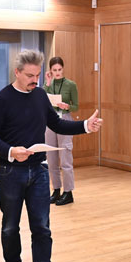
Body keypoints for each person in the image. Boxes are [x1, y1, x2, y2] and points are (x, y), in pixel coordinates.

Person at [0, 49, 102, 262]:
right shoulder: (2, 99)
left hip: (38, 171)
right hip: (10, 172)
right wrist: (12, 151)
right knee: (10, 227)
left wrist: (84, 127)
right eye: (29, 75)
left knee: (42, 229)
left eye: (37, 75)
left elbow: (56, 124)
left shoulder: (39, 95)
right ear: (17, 72)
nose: (34, 80)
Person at [43, 56, 79, 205]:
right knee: (51, 158)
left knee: (65, 157)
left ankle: (68, 192)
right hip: (51, 120)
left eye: (59, 70)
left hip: (64, 119)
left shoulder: (71, 84)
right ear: (50, 71)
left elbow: (76, 105)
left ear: (63, 69)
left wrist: (67, 106)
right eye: (54, 70)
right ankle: (56, 190)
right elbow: (42, 99)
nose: (57, 72)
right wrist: (47, 83)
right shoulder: (49, 84)